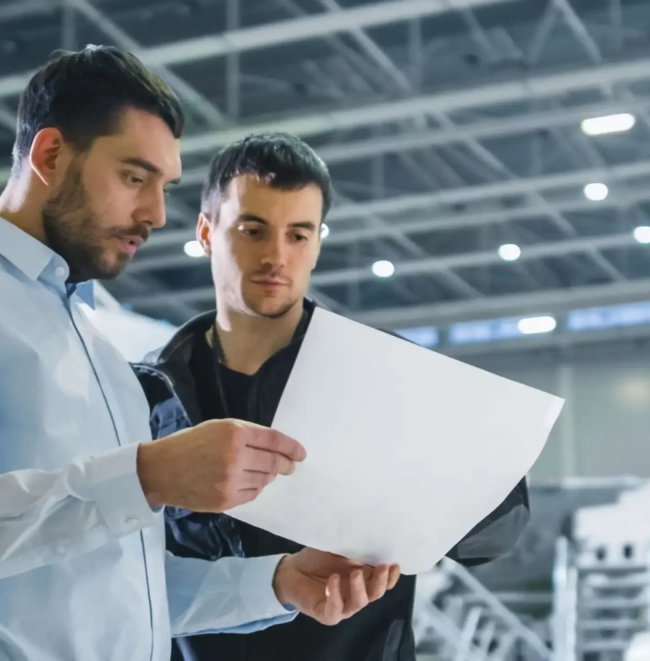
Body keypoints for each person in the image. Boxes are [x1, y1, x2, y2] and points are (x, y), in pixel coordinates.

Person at [0, 47, 399, 661]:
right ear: (50, 155)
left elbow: (127, 588)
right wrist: (146, 475)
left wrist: (278, 582)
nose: (156, 214)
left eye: (165, 187)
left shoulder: (99, 351)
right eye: (134, 177)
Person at [134, 132, 531, 661]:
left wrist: (435, 482)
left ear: (318, 243)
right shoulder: (146, 396)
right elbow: (123, 575)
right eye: (253, 231)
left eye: (298, 235)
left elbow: (497, 532)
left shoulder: (387, 375)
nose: (276, 256)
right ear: (207, 232)